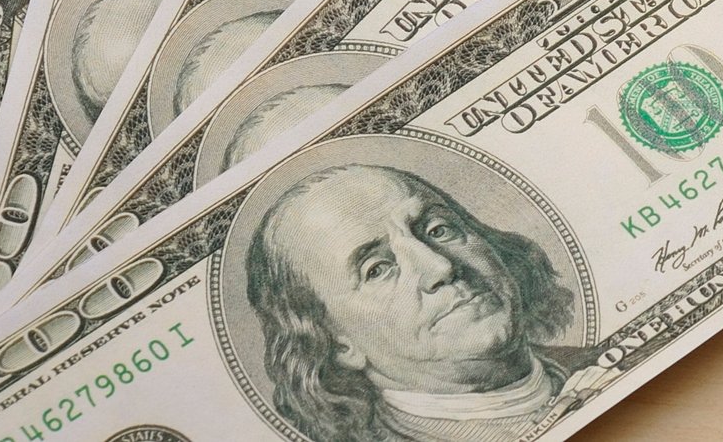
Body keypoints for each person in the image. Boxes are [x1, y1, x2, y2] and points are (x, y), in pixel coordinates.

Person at [245, 163, 590, 442]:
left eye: (438, 229)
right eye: (377, 269)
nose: (441, 267)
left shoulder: (605, 362)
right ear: (337, 342)